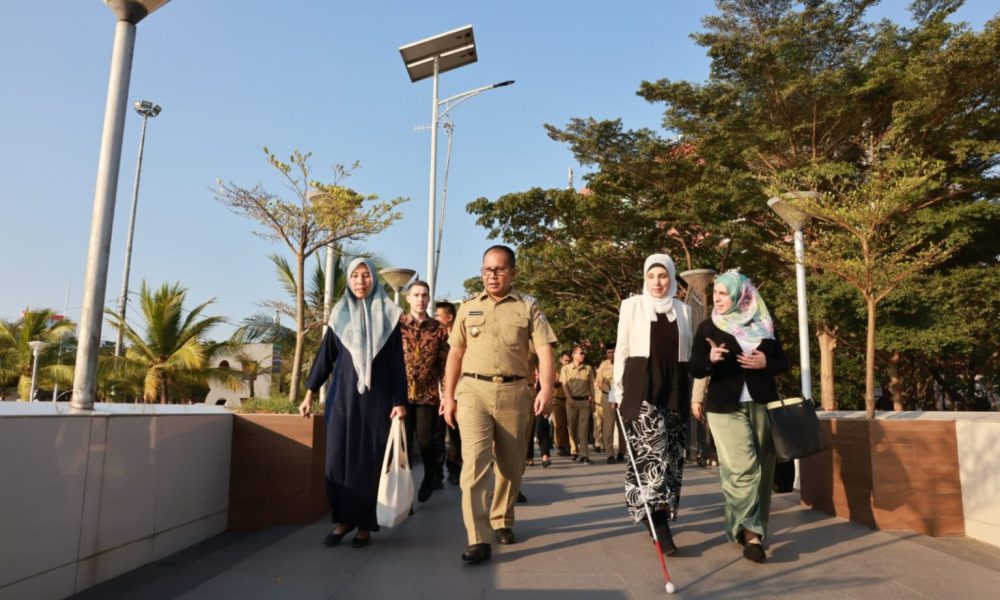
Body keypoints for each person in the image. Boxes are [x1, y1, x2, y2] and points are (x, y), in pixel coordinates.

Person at [441, 245, 557, 564]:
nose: (492, 275)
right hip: (473, 391)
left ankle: (502, 518)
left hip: (515, 392)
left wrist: (547, 388)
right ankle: (478, 537)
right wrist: (448, 396)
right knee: (474, 463)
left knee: (511, 464)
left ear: (513, 272)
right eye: (486, 270)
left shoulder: (528, 307)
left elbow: (545, 350)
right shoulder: (467, 307)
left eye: (499, 269)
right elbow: (455, 353)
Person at [299, 257, 407, 549]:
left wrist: (399, 401)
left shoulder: (390, 315)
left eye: (366, 275)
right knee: (336, 461)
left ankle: (363, 526)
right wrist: (310, 392)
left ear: (374, 279)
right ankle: (342, 521)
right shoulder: (339, 315)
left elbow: (397, 363)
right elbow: (326, 356)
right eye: (355, 276)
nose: (361, 281)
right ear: (349, 280)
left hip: (377, 402)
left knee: (367, 463)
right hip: (342, 400)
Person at [690, 269, 788, 564]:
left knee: (762, 471)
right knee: (742, 468)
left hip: (762, 404)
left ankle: (743, 528)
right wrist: (710, 359)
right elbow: (695, 367)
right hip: (724, 407)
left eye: (723, 293)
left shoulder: (764, 323)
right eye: (715, 293)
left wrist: (766, 362)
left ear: (740, 295)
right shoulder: (709, 327)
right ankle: (753, 535)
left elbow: (783, 362)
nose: (717, 299)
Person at [613, 253, 693, 555]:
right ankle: (659, 524)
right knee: (652, 452)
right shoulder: (631, 305)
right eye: (651, 276)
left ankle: (651, 510)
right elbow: (622, 348)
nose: (657, 282)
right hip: (641, 383)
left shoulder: (684, 310)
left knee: (671, 455)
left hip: (675, 386)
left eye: (663, 276)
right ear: (644, 278)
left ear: (671, 278)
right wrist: (617, 390)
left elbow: (689, 352)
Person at [399, 280, 449, 502]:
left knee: (426, 441)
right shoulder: (398, 326)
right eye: (416, 295)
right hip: (401, 396)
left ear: (429, 298)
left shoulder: (439, 329)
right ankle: (404, 492)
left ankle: (430, 476)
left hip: (427, 396)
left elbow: (444, 365)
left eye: (424, 295)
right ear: (408, 298)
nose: (420, 299)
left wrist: (446, 394)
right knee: (404, 445)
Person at [435, 301, 463, 486]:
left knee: (455, 434)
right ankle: (437, 475)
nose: (436, 318)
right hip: (436, 393)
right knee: (437, 435)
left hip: (458, 394)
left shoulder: (461, 341)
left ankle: (455, 469)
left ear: (450, 317)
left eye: (439, 315)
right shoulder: (435, 339)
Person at [560, 345, 596, 464]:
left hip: (584, 402)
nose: (583, 355)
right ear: (573, 355)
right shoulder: (566, 369)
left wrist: (593, 401)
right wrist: (569, 398)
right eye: (581, 353)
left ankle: (584, 455)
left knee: (583, 429)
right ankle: (574, 450)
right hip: (571, 402)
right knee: (572, 427)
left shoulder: (588, 369)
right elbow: (564, 385)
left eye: (583, 353)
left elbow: (591, 385)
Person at [594, 343, 625, 464]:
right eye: (609, 352)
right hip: (608, 397)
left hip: (621, 397)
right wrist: (606, 388)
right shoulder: (604, 365)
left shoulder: (623, 362)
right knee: (608, 426)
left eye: (613, 352)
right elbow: (598, 381)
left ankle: (621, 452)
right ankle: (610, 454)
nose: (611, 354)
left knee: (622, 425)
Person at [551, 351, 572, 456]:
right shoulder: (556, 370)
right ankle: (561, 446)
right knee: (560, 424)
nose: (566, 362)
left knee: (570, 424)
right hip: (558, 400)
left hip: (569, 400)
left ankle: (570, 446)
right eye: (565, 360)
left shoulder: (572, 370)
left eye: (568, 360)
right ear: (560, 360)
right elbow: (552, 383)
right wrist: (560, 379)